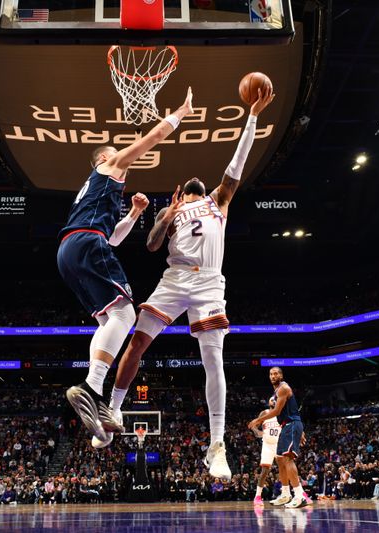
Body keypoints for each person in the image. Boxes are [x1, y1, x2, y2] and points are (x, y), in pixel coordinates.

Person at [102, 85, 276, 480]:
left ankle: (217, 445)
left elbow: (238, 163)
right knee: (138, 341)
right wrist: (165, 217)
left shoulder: (219, 200)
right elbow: (149, 246)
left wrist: (252, 117)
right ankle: (112, 408)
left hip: (210, 284)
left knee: (212, 359)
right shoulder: (171, 210)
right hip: (174, 277)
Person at [60, 87, 194, 443]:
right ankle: (91, 388)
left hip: (72, 249)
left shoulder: (98, 189)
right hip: (86, 243)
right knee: (125, 316)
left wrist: (134, 212)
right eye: (113, 151)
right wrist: (180, 113)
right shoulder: (110, 166)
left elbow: (114, 239)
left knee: (108, 319)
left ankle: (96, 397)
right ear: (103, 158)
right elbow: (151, 138)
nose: (119, 154)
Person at [247, 366, 308, 508]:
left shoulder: (283, 388)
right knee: (280, 460)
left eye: (276, 373)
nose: (273, 376)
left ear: (281, 375)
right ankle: (286, 494)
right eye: (271, 374)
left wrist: (258, 420)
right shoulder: (276, 392)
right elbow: (289, 410)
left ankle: (299, 496)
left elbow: (277, 411)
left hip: (291, 425)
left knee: (287, 459)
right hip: (286, 426)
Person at [251, 380, 282, 505]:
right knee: (265, 471)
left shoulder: (281, 414)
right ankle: (257, 497)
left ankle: (291, 493)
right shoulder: (265, 413)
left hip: (279, 444)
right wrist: (256, 432)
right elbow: (254, 424)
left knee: (286, 469)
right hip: (268, 445)